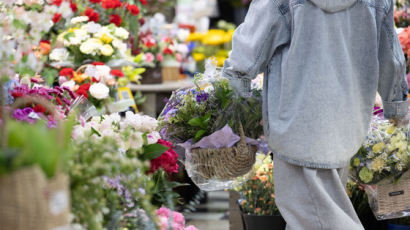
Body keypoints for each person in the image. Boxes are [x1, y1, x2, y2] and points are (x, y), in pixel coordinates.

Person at [222, 0, 409, 229]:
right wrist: (396, 104)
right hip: (346, 126)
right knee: (314, 217)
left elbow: (250, 48)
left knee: (320, 221)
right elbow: (390, 54)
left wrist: (229, 98)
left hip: (297, 126)